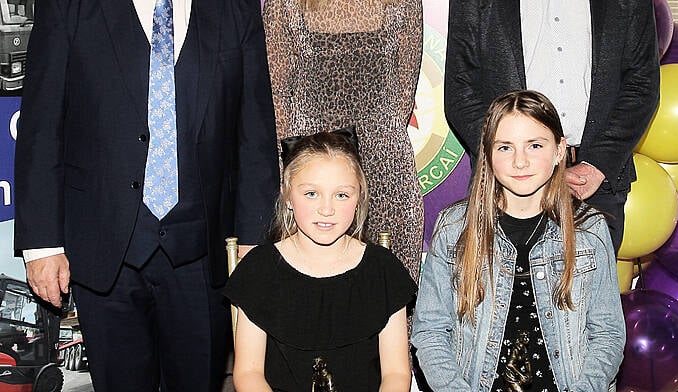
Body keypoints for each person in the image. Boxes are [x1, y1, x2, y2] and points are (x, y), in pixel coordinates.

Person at [13, 0, 280, 391]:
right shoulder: (68, 6)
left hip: (203, 257)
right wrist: (41, 245)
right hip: (103, 250)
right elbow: (41, 125)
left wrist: (254, 240)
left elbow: (255, 131)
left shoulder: (235, 8)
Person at [411, 91, 625, 391]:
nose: (520, 161)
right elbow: (430, 331)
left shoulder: (589, 230)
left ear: (559, 150)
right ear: (487, 154)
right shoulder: (454, 228)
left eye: (535, 145)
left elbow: (608, 335)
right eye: (505, 147)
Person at [444, 0, 660, 252]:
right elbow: (460, 91)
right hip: (508, 181)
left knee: (588, 290)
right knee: (503, 290)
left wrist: (597, 166)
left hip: (594, 184)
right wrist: (518, 160)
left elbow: (642, 85)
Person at [225, 130, 416, 391]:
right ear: (287, 196)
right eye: (311, 194)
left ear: (359, 198)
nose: (327, 209)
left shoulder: (382, 270)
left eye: (341, 195)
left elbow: (396, 374)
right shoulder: (259, 270)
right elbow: (248, 373)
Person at [263, 0, 424, 282]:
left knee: (388, 290)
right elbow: (276, 98)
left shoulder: (405, 2)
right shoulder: (283, 3)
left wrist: (379, 136)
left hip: (385, 172)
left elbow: (403, 91)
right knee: (309, 291)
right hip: (310, 172)